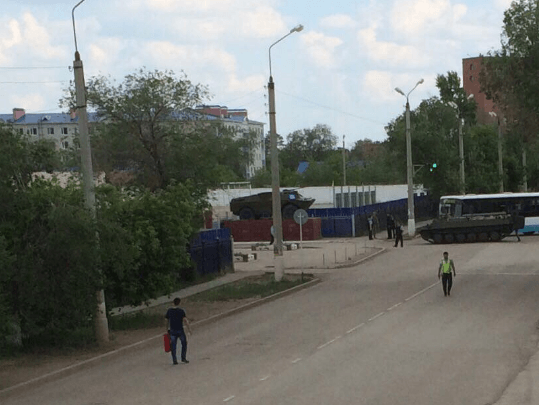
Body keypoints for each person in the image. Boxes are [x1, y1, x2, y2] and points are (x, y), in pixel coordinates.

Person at [165, 297, 192, 364]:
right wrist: (189, 329)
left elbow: (166, 321)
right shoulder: (181, 311)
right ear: (179, 303)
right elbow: (185, 321)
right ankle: (183, 358)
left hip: (172, 330)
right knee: (184, 343)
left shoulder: (169, 311)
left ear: (173, 303)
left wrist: (167, 329)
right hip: (180, 329)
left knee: (173, 345)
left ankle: (174, 360)